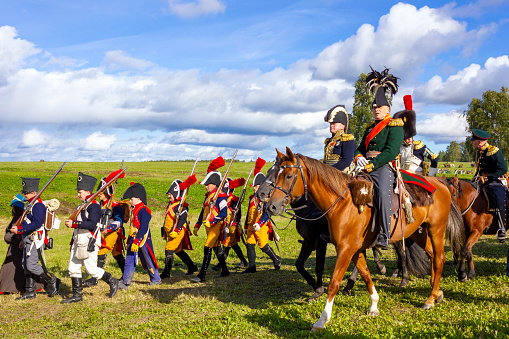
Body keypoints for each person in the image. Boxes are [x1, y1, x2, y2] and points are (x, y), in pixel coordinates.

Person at [354, 68, 404, 249]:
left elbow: (391, 152)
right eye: (374, 108)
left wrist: (371, 164)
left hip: (383, 166)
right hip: (365, 165)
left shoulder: (395, 126)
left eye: (380, 108)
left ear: (388, 109)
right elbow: (359, 148)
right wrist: (358, 157)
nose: (376, 110)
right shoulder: (369, 128)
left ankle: (384, 233)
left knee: (382, 194)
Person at [62, 172, 119, 303]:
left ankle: (112, 281)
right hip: (78, 240)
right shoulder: (81, 205)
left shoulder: (94, 206)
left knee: (91, 269)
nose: (78, 194)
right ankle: (77, 295)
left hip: (89, 240)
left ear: (87, 192)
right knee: (73, 267)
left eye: (80, 192)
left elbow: (92, 224)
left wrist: (74, 224)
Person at [10, 178, 59, 300]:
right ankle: (30, 292)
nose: (25, 194)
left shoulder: (38, 206)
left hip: (35, 239)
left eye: (27, 192)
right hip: (27, 238)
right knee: (25, 265)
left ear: (34, 193)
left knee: (31, 265)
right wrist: (22, 238)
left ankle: (51, 279)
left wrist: (20, 230)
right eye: (24, 192)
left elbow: (37, 224)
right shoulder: (30, 205)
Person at [83, 176, 126, 287]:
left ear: (107, 192)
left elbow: (119, 221)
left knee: (101, 251)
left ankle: (96, 278)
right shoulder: (98, 205)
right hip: (102, 232)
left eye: (101, 192)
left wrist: (109, 228)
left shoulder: (114, 205)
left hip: (113, 232)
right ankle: (126, 275)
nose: (99, 194)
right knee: (117, 254)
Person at [191, 157, 230, 283]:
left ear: (214, 184)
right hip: (208, 227)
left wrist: (212, 222)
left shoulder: (221, 197)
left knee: (207, 247)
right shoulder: (209, 197)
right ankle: (225, 271)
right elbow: (204, 211)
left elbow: (224, 213)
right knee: (217, 249)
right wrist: (197, 224)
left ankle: (202, 275)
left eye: (208, 184)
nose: (206, 186)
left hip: (216, 226)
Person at [242, 158, 281, 273]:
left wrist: (260, 223)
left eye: (257, 187)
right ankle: (252, 267)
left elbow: (267, 213)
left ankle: (276, 260)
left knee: (263, 245)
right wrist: (246, 225)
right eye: (254, 187)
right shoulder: (251, 199)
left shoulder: (265, 199)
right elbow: (249, 213)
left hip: (261, 225)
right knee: (250, 244)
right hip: (250, 225)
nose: (255, 189)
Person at [119, 183, 161, 289]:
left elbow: (143, 227)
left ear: (138, 198)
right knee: (129, 259)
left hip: (142, 239)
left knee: (147, 258)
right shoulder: (134, 208)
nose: (130, 200)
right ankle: (126, 281)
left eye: (131, 198)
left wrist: (137, 241)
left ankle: (156, 278)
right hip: (133, 238)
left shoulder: (144, 210)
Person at [0, 195, 44, 294]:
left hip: (20, 247)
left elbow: (23, 232)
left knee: (25, 267)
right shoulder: (16, 218)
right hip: (15, 247)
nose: (12, 209)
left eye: (13, 207)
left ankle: (48, 281)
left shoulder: (22, 218)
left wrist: (10, 237)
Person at [470, 129, 508, 242]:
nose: (471, 142)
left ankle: (502, 228)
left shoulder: (494, 151)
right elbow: (479, 169)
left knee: (500, 198)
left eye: (473, 140)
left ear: (481, 141)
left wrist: (487, 178)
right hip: (480, 180)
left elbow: (503, 169)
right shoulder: (479, 151)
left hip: (495, 181)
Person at [160, 177, 198, 279]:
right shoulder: (172, 205)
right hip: (170, 232)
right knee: (178, 250)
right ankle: (192, 267)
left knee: (169, 249)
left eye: (170, 193)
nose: (168, 195)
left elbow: (182, 219)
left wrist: (176, 230)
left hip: (178, 231)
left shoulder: (181, 206)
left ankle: (166, 273)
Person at [211, 177, 249, 272]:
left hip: (232, 226)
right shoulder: (220, 198)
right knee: (233, 245)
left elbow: (238, 214)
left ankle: (221, 264)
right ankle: (244, 261)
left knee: (227, 243)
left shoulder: (234, 200)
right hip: (223, 225)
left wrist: (234, 224)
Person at [396, 95, 438, 177]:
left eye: (410, 137)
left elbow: (434, 157)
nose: (409, 140)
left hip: (419, 176)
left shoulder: (419, 146)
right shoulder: (399, 148)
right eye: (407, 138)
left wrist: (431, 175)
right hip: (404, 177)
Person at [323, 105, 356, 172]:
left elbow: (346, 161)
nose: (331, 125)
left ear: (342, 126)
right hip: (328, 172)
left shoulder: (347, 139)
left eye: (334, 123)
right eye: (331, 123)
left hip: (342, 173)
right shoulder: (329, 141)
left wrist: (330, 170)